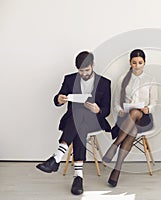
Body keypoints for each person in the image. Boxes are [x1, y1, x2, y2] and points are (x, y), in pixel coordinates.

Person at [36, 51, 111, 195]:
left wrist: (98, 109)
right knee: (79, 122)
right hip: (75, 121)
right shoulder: (69, 79)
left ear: (93, 65)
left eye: (87, 70)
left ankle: (57, 157)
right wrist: (59, 99)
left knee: (80, 116)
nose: (84, 74)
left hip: (95, 120)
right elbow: (58, 99)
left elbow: (106, 110)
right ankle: (78, 177)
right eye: (81, 71)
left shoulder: (104, 82)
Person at [102, 49, 158, 187]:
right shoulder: (122, 79)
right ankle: (117, 169)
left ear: (144, 63)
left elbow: (155, 102)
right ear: (130, 63)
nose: (137, 65)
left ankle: (115, 145)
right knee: (132, 130)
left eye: (140, 63)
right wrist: (119, 110)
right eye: (134, 63)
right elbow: (115, 102)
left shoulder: (150, 79)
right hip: (126, 119)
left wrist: (148, 108)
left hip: (144, 118)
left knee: (135, 112)